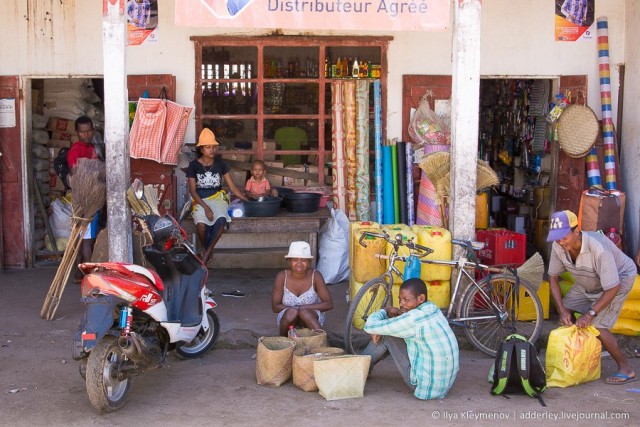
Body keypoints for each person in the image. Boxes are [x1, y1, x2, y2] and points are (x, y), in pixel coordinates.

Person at [547, 210, 636, 385]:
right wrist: (562, 309)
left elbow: (612, 287)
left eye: (564, 236)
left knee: (597, 325)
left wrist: (590, 314)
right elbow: (553, 277)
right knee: (566, 314)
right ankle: (576, 359)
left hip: (619, 279)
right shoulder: (559, 246)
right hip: (588, 280)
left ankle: (626, 369)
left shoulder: (598, 249)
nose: (560, 241)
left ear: (577, 231)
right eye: (556, 237)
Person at [363, 278, 459, 400]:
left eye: (406, 300)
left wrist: (385, 311)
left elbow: (369, 326)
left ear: (421, 299)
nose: (401, 304)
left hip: (423, 386)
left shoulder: (413, 319)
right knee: (388, 330)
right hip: (444, 384)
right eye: (400, 299)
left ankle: (358, 370)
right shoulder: (432, 308)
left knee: (386, 334)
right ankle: (364, 367)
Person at [187, 128, 248, 265]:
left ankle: (205, 255)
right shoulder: (193, 165)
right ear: (201, 149)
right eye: (208, 147)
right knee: (201, 225)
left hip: (217, 197)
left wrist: (248, 200)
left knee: (220, 221)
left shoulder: (221, 164)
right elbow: (192, 191)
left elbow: (232, 187)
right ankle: (207, 249)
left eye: (214, 147)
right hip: (199, 200)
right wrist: (206, 208)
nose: (212, 150)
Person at [271, 241, 333, 336]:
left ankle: (322, 341)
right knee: (292, 312)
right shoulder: (282, 276)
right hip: (288, 318)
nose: (299, 264)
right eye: (295, 260)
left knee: (305, 313)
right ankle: (283, 342)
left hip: (311, 317)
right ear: (289, 262)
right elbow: (275, 307)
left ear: (309, 263)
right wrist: (295, 310)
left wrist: (301, 309)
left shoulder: (315, 276)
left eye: (303, 260)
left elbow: (328, 304)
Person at [67, 116, 101, 284]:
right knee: (86, 239)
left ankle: (80, 272)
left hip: (93, 199)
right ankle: (87, 275)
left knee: (87, 237)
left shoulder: (93, 149)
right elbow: (76, 175)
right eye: (82, 132)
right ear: (77, 133)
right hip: (83, 201)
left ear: (93, 131)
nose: (86, 135)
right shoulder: (75, 150)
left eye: (88, 131)